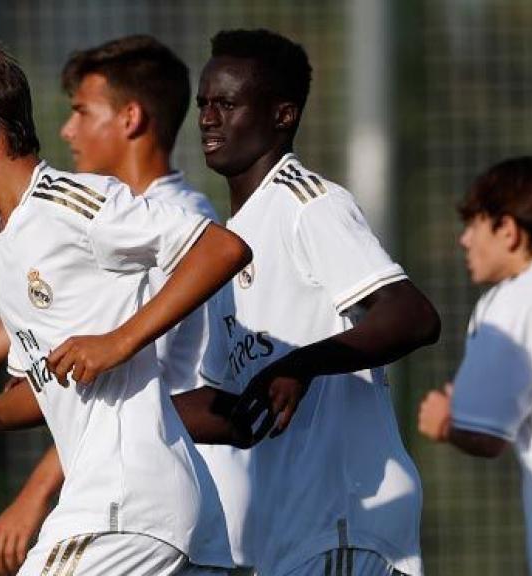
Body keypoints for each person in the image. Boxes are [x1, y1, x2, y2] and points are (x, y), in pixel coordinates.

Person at [0, 35, 254, 575]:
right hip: (147, 511)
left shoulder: (69, 202)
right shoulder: (1, 244)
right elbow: (42, 390)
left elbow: (222, 247)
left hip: (123, 503)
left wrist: (118, 342)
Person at [195, 29, 441, 576]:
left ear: (283, 115)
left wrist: (301, 364)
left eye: (227, 103)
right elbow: (236, 413)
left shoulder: (306, 202)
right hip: (288, 538)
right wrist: (95, 413)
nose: (208, 118)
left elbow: (412, 314)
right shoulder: (227, 243)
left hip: (346, 518)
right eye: (203, 103)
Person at [417, 156, 532, 576]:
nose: (464, 240)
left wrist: (445, 421)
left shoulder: (513, 301)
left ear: (508, 231)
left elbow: (484, 435)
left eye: (474, 224)